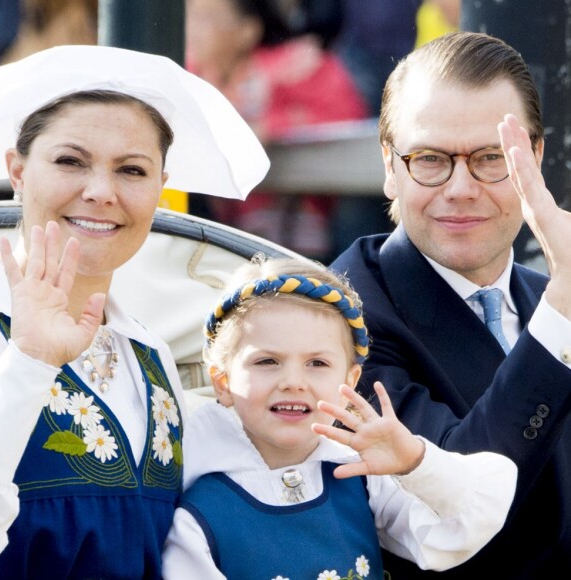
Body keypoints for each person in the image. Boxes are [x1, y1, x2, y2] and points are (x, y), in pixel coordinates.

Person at [0, 44, 269, 577]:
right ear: (18, 172)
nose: (100, 192)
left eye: (132, 170)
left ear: (161, 189)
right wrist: (29, 361)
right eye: (70, 161)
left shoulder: (149, 355)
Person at [331, 31, 571, 577]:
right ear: (390, 166)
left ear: (535, 157)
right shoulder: (339, 314)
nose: (461, 188)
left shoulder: (546, 295)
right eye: (432, 158)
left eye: (491, 158)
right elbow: (460, 500)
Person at [161, 256, 517, 579]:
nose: (293, 382)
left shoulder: (358, 475)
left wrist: (414, 462)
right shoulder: (199, 515)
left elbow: (463, 526)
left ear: (349, 381)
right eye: (267, 361)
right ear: (222, 382)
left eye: (317, 363)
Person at [185, 0, 369, 263]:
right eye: (189, 16)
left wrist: (269, 126)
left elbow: (348, 118)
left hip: (298, 242)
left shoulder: (299, 65)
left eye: (207, 19)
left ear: (247, 30)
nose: (192, 28)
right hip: (219, 238)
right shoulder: (187, 74)